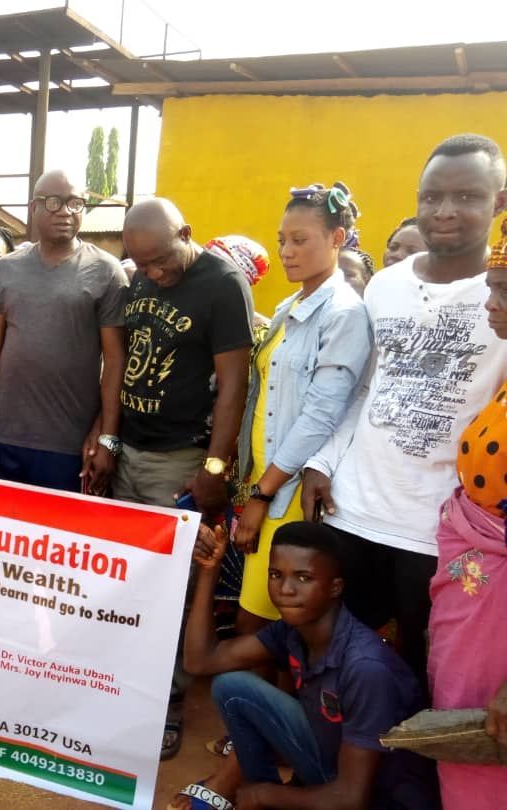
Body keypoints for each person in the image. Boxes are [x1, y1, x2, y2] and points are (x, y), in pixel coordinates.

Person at [303, 133, 507, 689]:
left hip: (439, 527)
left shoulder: (500, 296)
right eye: (431, 196)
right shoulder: (385, 286)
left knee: (425, 670)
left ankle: (409, 778)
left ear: (500, 202)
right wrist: (323, 461)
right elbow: (363, 388)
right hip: (354, 509)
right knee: (336, 659)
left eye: (467, 197)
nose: (445, 212)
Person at [117, 197, 254, 761]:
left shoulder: (221, 283)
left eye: (159, 262)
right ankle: (122, 690)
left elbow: (234, 383)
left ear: (186, 234)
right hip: (128, 451)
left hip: (180, 458)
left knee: (173, 589)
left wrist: (215, 467)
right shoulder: (142, 278)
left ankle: (165, 704)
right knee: (129, 582)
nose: (151, 274)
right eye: (140, 265)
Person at [171, 521, 436, 810]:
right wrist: (210, 570)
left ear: (335, 587)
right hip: (331, 771)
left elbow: (351, 798)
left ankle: (265, 798)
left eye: (303, 577)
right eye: (275, 574)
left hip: (378, 800)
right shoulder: (292, 629)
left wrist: (263, 795)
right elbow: (201, 660)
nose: (285, 589)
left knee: (267, 791)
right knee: (232, 688)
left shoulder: (366, 667)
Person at [233, 185, 373, 631]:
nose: (286, 252)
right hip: (265, 482)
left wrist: (263, 494)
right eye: (281, 240)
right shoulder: (287, 307)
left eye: (300, 240)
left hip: (288, 495)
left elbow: (319, 415)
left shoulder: (344, 314)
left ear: (337, 238)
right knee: (271, 628)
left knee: (259, 625)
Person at [0, 170, 127, 494]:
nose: (65, 211)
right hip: (4, 440)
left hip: (72, 447)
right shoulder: (7, 268)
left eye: (75, 203)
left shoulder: (107, 271)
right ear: (33, 207)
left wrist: (108, 436)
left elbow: (115, 360)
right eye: (54, 202)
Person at [426, 219, 507, 808]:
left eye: (506, 291)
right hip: (477, 584)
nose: (491, 305)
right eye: (492, 287)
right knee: (462, 730)